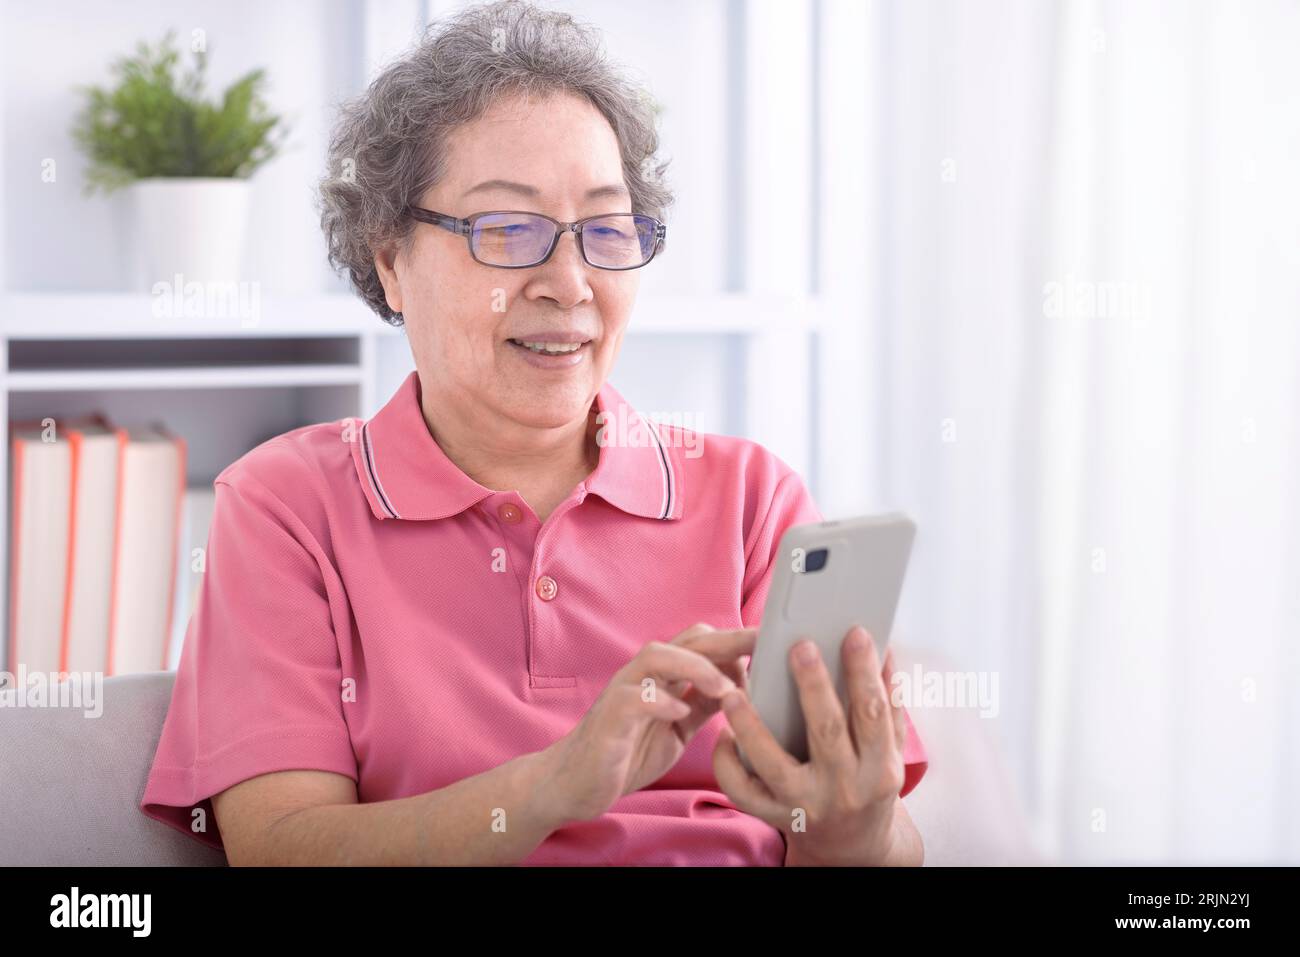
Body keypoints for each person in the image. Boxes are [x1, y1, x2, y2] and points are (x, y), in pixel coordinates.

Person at [139, 0, 928, 865]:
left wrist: (853, 830)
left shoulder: (751, 499)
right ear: (390, 260)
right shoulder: (287, 505)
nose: (569, 281)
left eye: (605, 229)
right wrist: (556, 783)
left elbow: (877, 845)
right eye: (507, 229)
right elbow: (282, 849)